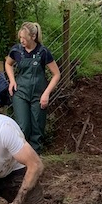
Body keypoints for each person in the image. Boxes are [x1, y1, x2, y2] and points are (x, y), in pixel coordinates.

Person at [5, 22, 61, 153]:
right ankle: (20, 155)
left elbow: (56, 74)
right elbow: (8, 64)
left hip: (38, 94)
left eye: (24, 38)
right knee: (23, 126)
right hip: (21, 93)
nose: (22, 41)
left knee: (37, 127)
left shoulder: (43, 52)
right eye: (20, 38)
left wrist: (46, 93)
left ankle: (36, 155)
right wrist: (12, 81)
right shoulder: (16, 51)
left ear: (33, 36)